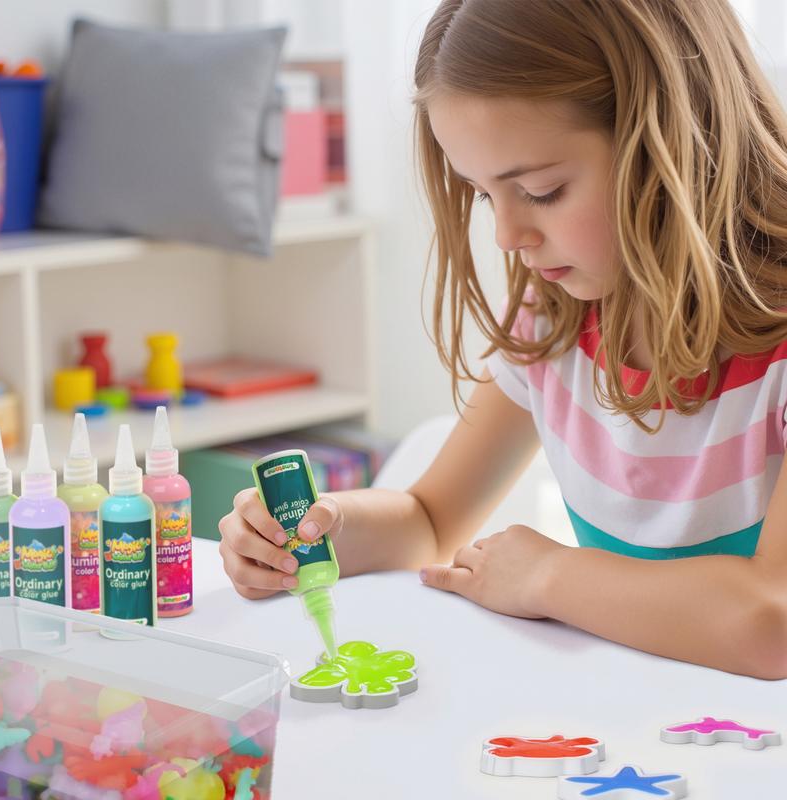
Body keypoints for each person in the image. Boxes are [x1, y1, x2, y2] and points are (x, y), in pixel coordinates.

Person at [220, 0, 787, 680]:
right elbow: (430, 520)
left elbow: (770, 623)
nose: (507, 237)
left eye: (542, 191)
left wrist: (549, 577)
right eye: (486, 195)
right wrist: (323, 529)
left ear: (676, 139)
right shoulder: (554, 324)